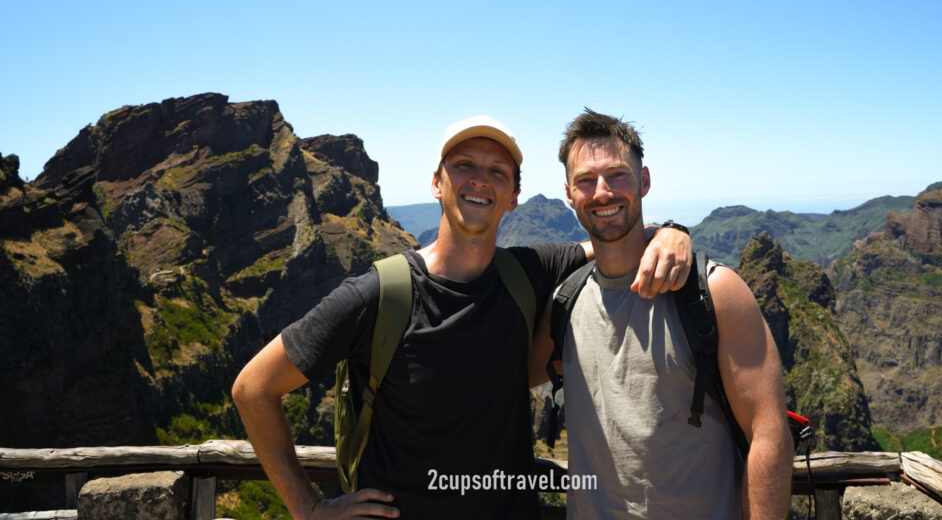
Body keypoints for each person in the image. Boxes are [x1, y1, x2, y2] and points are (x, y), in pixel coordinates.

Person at [232, 115, 694, 520]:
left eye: (497, 172)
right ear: (437, 182)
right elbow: (254, 388)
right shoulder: (379, 295)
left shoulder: (530, 272)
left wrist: (672, 233)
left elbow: (615, 236)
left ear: (513, 197)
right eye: (464, 166)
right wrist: (307, 507)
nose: (480, 180)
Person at [535, 109, 793, 519]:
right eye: (586, 180)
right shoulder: (565, 302)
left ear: (645, 181)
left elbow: (768, 432)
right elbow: (500, 387)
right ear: (569, 195)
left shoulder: (716, 292)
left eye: (617, 174)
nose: (602, 192)